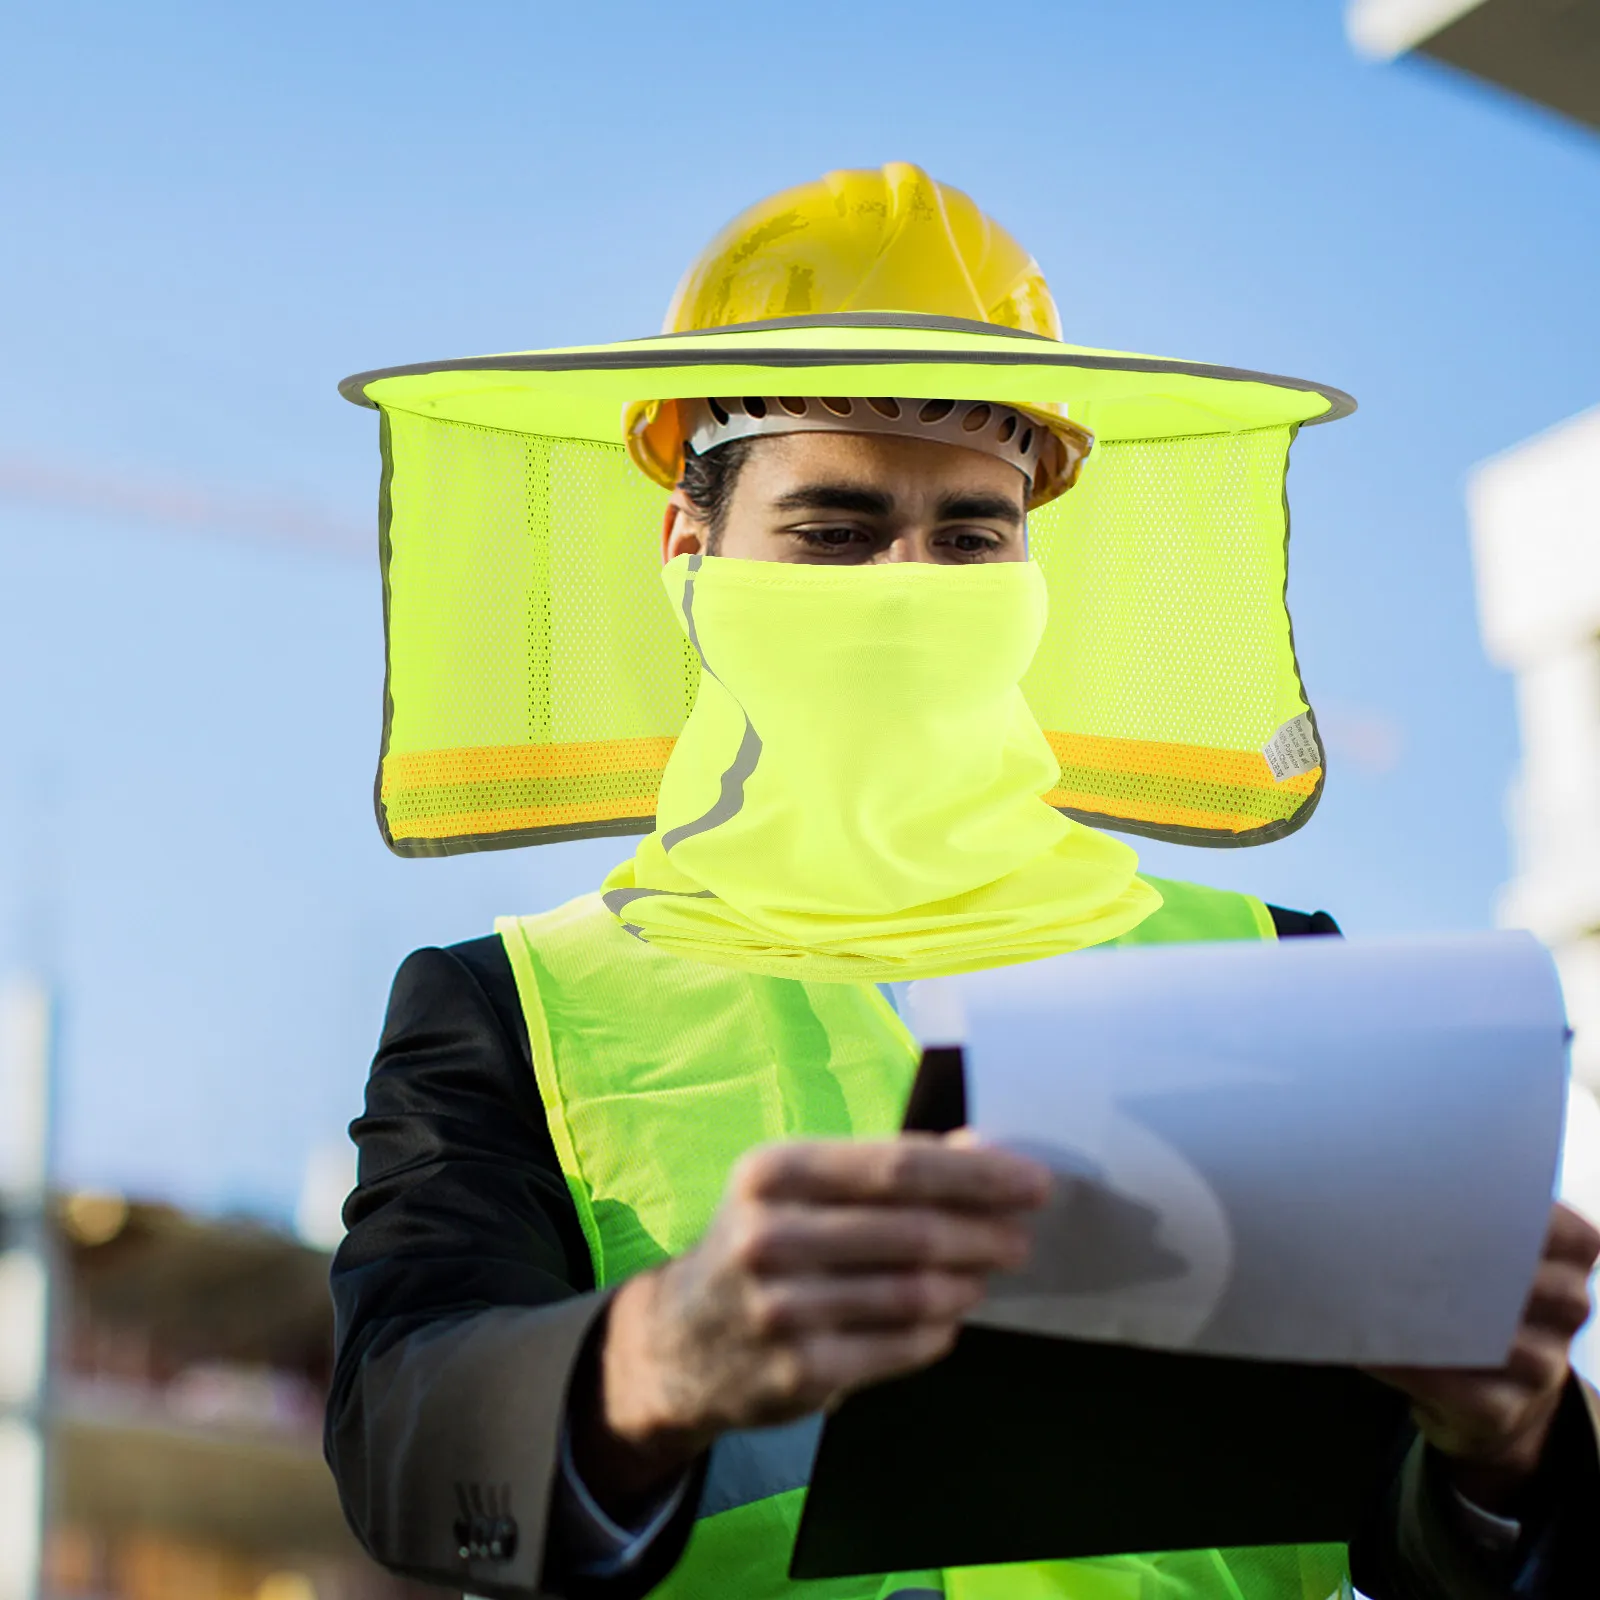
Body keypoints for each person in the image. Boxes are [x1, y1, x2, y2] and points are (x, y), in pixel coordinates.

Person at [327, 165, 1600, 1600]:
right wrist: (660, 1356)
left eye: (972, 535)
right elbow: (401, 1439)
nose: (914, 581)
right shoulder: (515, 1010)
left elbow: (1432, 1531)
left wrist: (1510, 1439)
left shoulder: (1278, 971)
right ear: (691, 548)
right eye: (839, 529)